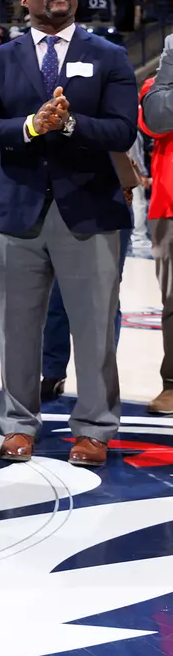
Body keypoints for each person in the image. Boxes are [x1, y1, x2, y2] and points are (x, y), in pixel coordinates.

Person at [0, 0, 138, 468]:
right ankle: (19, 424)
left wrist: (67, 124)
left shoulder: (108, 56)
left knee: (94, 327)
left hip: (89, 208)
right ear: (25, 0)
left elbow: (121, 130)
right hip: (15, 210)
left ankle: (94, 429)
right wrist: (32, 126)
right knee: (16, 326)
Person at [143, 57, 173, 415]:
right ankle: (171, 383)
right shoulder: (156, 86)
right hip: (169, 207)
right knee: (172, 301)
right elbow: (156, 123)